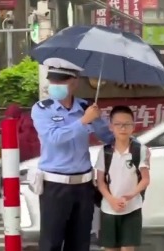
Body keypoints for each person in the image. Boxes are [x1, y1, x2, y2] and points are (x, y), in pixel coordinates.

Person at [31, 58, 114, 251]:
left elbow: (105, 136)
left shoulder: (86, 108)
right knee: (51, 242)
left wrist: (117, 132)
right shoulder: (42, 110)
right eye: (53, 81)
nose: (55, 86)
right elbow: (54, 138)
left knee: (80, 242)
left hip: (84, 185)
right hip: (55, 186)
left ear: (74, 82)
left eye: (61, 81)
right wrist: (83, 122)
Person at [95, 106, 151, 251]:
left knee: (128, 248)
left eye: (127, 124)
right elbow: (100, 181)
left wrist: (131, 195)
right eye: (118, 124)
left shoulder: (140, 150)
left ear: (133, 126)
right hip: (109, 208)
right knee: (110, 248)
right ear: (111, 127)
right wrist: (111, 199)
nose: (122, 128)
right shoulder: (105, 152)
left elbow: (145, 179)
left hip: (132, 207)